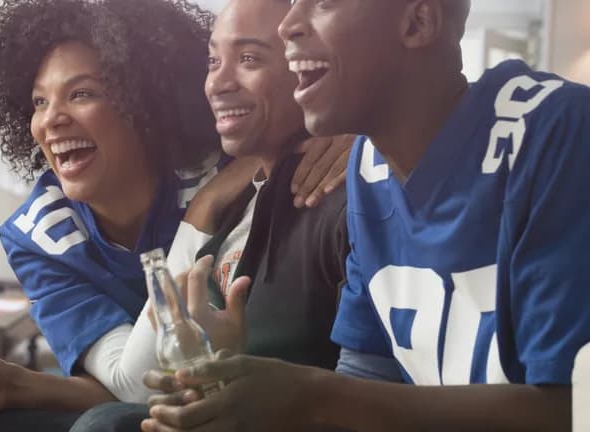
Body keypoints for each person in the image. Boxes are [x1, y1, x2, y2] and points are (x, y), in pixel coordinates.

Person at [139, 0, 590, 431]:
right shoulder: (368, 167)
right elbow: (368, 376)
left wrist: (313, 396)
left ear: (418, 22)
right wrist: (238, 399)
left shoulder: (555, 129)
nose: (289, 24)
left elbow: (571, 408)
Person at [0, 0, 348, 429]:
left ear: (143, 102)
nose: (51, 119)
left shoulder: (223, 162)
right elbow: (127, 384)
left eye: (81, 93)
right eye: (39, 102)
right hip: (156, 390)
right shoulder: (39, 235)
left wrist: (346, 131)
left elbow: (292, 114)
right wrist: (18, 384)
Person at [68, 0, 354, 429]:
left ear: (310, 68)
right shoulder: (238, 199)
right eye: (213, 60)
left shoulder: (340, 198)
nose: (218, 82)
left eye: (249, 58)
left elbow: (368, 388)